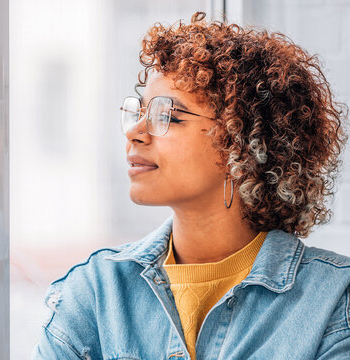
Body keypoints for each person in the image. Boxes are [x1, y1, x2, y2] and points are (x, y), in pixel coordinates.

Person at [31, 11, 350, 360]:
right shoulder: (95, 293)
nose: (134, 132)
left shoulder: (333, 302)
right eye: (138, 112)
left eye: (168, 115)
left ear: (243, 141)